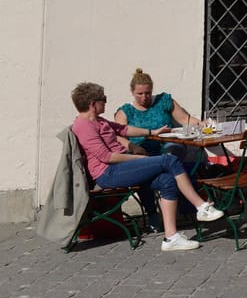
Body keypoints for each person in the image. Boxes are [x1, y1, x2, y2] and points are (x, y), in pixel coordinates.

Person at [68, 82, 223, 252]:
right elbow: (106, 157)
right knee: (169, 160)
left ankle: (171, 238)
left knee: (167, 180)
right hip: (108, 173)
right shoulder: (83, 126)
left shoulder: (98, 121)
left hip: (120, 167)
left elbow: (123, 129)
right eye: (103, 99)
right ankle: (201, 207)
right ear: (92, 104)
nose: (105, 102)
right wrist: (137, 158)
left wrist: (151, 132)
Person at [112, 68, 199, 156]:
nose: (144, 97)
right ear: (132, 92)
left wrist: (203, 124)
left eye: (147, 93)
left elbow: (185, 119)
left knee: (173, 151)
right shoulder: (125, 112)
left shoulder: (163, 101)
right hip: (141, 151)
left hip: (169, 145)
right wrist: (134, 148)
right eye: (140, 94)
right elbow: (120, 136)